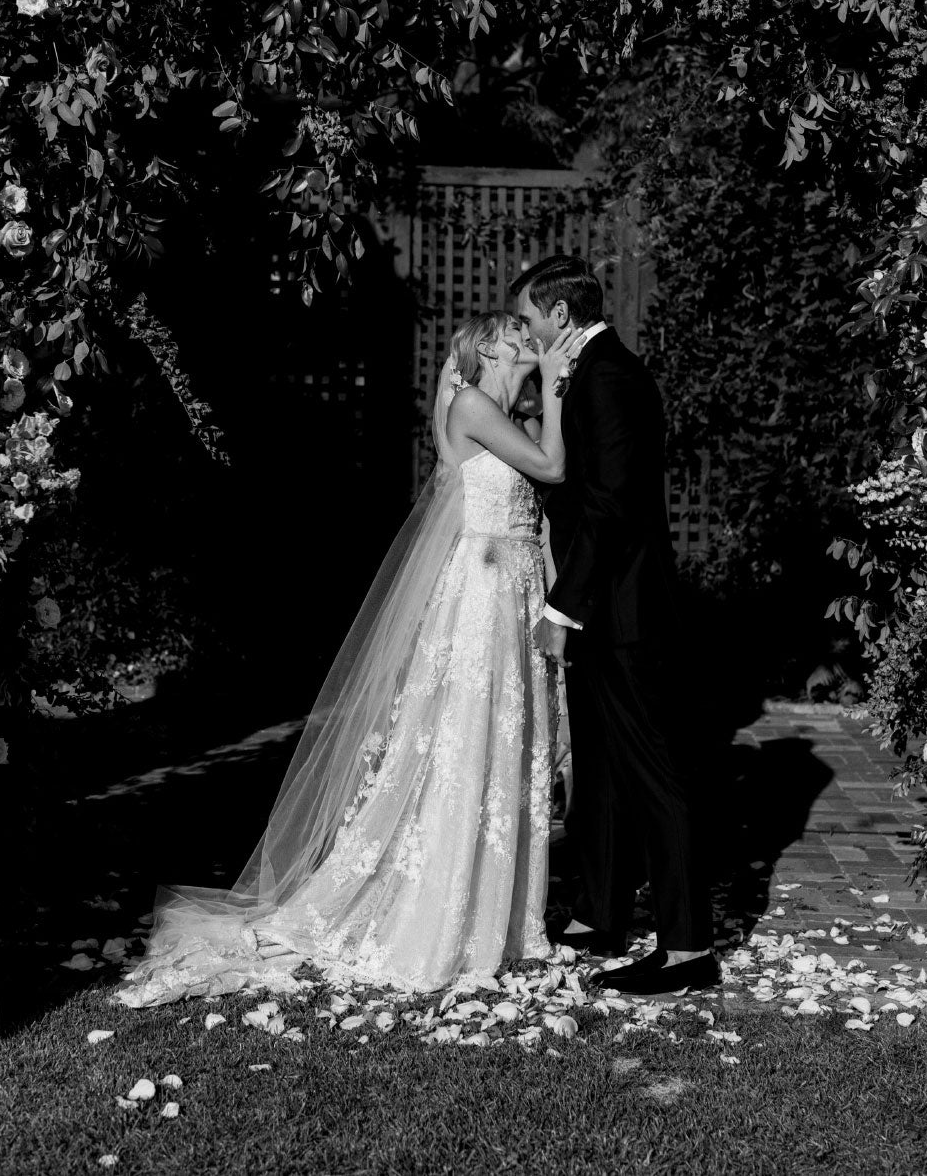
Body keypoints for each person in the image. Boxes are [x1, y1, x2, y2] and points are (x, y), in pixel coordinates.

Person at [116, 311, 582, 1004]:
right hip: (484, 596)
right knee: (470, 746)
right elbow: (553, 465)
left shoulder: (493, 409)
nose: (526, 340)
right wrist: (553, 384)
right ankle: (448, 916)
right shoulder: (478, 403)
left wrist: (542, 390)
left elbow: (534, 468)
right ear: (486, 348)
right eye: (514, 332)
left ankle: (499, 919)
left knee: (503, 751)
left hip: (511, 593)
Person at [510, 254, 717, 996]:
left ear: (560, 315)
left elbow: (611, 506)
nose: (528, 335)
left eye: (531, 320)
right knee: (597, 765)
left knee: (656, 774)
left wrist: (562, 605)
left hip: (624, 611)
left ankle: (689, 948)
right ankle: (601, 913)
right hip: (603, 606)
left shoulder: (613, 377)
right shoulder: (588, 372)